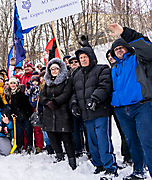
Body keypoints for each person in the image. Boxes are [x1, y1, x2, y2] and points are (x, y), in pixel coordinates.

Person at [108, 23, 152, 179]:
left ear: (128, 47)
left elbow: (146, 47)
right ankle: (139, 171)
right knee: (133, 143)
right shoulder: (114, 69)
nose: (119, 50)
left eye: (121, 47)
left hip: (142, 106)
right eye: (116, 49)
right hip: (122, 110)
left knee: (148, 142)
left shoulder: (138, 59)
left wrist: (124, 33)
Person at [70, 46, 118, 179]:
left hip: (100, 110)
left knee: (103, 139)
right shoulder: (77, 74)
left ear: (90, 57)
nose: (83, 60)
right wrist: (74, 104)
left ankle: (110, 166)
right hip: (86, 114)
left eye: (85, 57)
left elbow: (105, 86)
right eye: (80, 58)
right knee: (92, 141)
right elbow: (74, 92)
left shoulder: (101, 69)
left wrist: (95, 99)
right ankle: (98, 164)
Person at [40, 58, 76, 170]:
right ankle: (59, 155)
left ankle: (71, 159)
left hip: (62, 112)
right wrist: (46, 101)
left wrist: (55, 101)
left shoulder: (66, 80)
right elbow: (42, 95)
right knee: (52, 136)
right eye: (52, 69)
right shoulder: (47, 82)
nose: (54, 71)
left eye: (56, 69)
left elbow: (66, 93)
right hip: (50, 113)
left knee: (66, 137)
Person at [4, 77, 33, 154]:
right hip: (16, 116)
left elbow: (27, 104)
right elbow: (10, 107)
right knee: (18, 132)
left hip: (25, 114)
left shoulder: (21, 93)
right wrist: (12, 114)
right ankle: (19, 146)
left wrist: (29, 114)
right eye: (11, 83)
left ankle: (29, 145)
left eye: (14, 83)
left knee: (28, 130)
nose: (13, 85)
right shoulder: (7, 95)